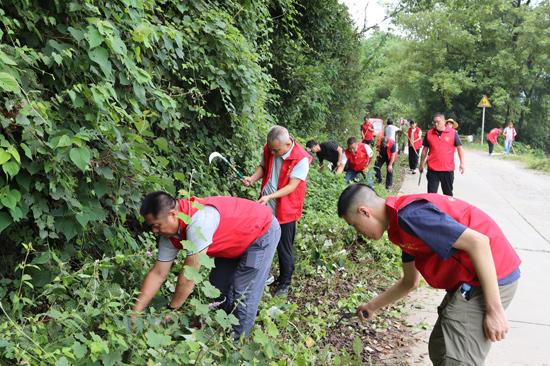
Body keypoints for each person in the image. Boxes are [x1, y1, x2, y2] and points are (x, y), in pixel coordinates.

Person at [337, 184, 521, 366]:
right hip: (470, 280)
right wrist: (372, 306)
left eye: (354, 225)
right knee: (440, 347)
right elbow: (410, 282)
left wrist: (495, 311)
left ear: (364, 212)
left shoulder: (411, 217)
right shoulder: (399, 227)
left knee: (456, 358)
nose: (358, 232)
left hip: (492, 277)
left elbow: (479, 242)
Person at [133, 192, 281, 338]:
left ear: (173, 214)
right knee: (218, 286)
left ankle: (237, 344)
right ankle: (223, 326)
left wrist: (172, 310)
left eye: (157, 225)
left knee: (243, 292)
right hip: (234, 240)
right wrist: (135, 313)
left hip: (261, 232)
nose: (154, 231)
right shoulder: (169, 234)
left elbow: (189, 276)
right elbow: (158, 273)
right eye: (152, 227)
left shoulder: (198, 222)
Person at [242, 126, 311, 296]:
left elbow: (292, 186)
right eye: (271, 149)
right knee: (258, 240)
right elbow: (263, 167)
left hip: (286, 209)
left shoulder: (301, 159)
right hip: (266, 203)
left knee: (283, 247)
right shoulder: (270, 148)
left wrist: (270, 196)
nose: (273, 153)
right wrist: (252, 178)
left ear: (288, 143)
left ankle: (284, 283)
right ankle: (262, 275)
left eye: (276, 150)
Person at [419, 113, 465, 196]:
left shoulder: (453, 133)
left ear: (444, 122)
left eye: (438, 122)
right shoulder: (429, 133)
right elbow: (424, 150)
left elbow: (459, 148)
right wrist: (421, 164)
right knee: (431, 195)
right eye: (434, 122)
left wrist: (462, 163)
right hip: (432, 170)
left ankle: (447, 209)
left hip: (447, 170)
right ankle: (432, 209)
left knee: (448, 195)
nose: (436, 124)